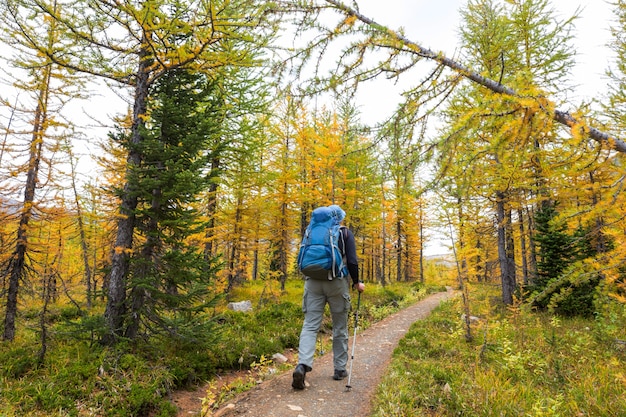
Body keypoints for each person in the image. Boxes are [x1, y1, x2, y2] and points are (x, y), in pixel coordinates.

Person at [292, 204, 365, 390]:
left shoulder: (310, 231)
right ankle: (340, 369)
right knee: (339, 326)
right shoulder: (344, 233)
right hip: (337, 283)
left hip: (312, 282)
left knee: (310, 325)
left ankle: (302, 365)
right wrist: (357, 282)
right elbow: (353, 261)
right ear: (338, 217)